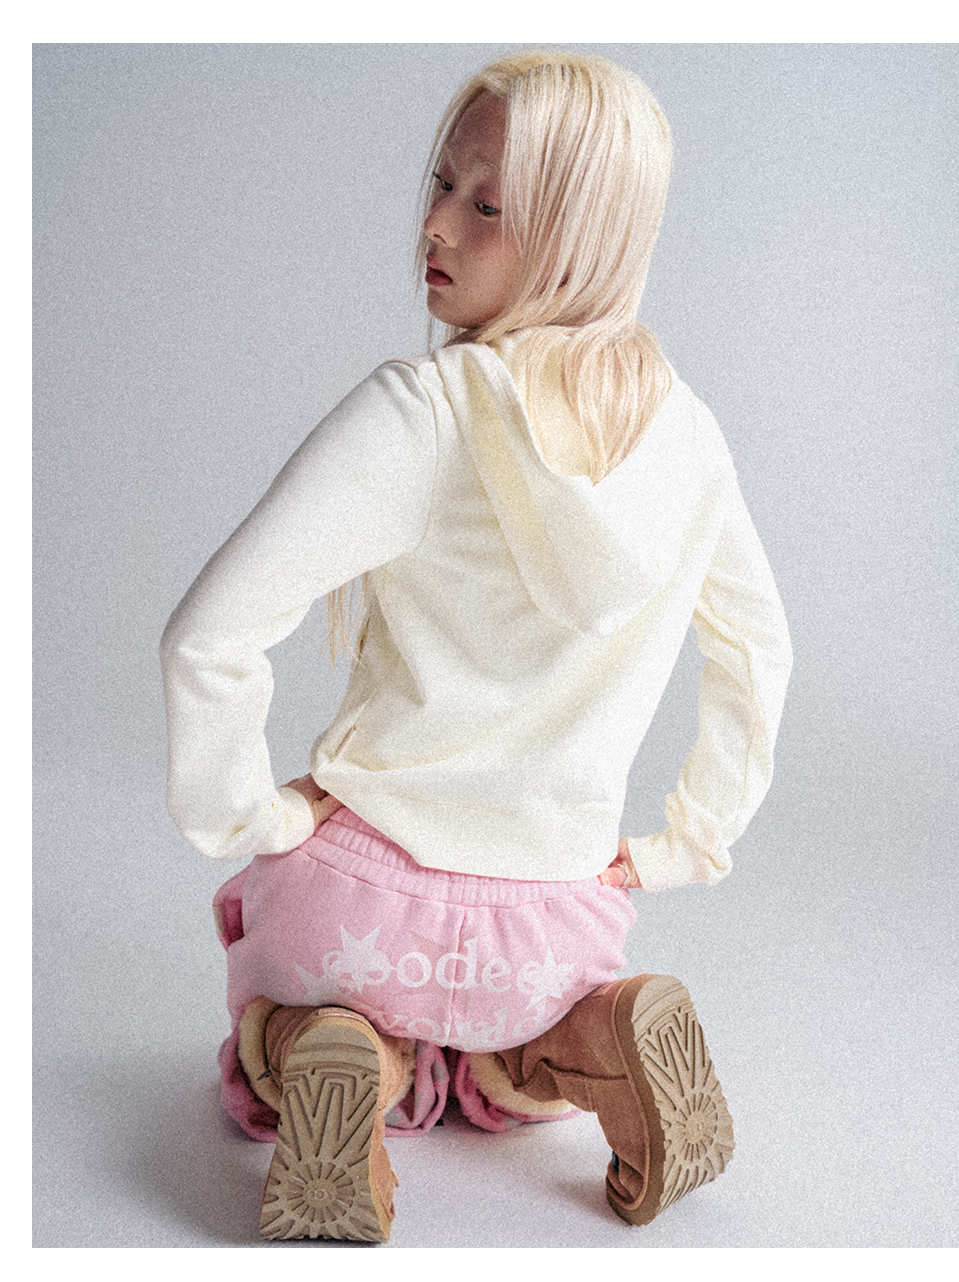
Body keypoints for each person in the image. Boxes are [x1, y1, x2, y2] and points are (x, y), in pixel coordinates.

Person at [161, 51, 793, 1244]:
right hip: (552, 922)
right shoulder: (687, 437)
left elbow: (207, 634)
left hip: (357, 901)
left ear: (579, 229)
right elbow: (758, 649)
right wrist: (682, 845)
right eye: (441, 184)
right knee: (508, 1063)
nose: (436, 225)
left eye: (487, 203)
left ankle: (339, 1052)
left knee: (280, 1018)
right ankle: (592, 1035)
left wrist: (253, 814)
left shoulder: (427, 407)